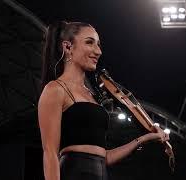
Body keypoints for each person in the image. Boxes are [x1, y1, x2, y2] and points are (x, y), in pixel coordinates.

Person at [38, 20, 170, 180]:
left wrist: (143, 139)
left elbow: (103, 156)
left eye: (99, 45)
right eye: (89, 43)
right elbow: (50, 152)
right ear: (67, 47)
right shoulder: (55, 89)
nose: (98, 51)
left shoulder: (92, 95)